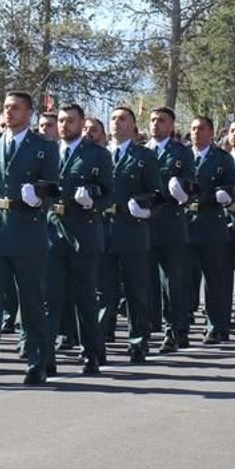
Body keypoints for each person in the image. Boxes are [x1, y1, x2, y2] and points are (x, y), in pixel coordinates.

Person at [0, 90, 57, 389]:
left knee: (32, 303)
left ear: (29, 113)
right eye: (6, 107)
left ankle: (36, 364)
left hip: (28, 232)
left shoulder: (44, 146)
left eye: (15, 108)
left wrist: (39, 198)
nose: (8, 112)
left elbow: (53, 187)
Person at [47, 103, 111, 373]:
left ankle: (91, 352)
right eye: (61, 120)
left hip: (83, 231)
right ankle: (45, 354)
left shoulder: (97, 155)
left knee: (85, 298)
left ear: (81, 123)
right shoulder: (48, 151)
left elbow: (109, 193)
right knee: (50, 297)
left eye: (70, 120)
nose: (64, 125)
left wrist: (92, 202)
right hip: (52, 232)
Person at [98, 106, 160, 363]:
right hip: (102, 229)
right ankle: (96, 343)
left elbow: (156, 193)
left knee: (136, 290)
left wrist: (145, 206)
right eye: (113, 118)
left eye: (123, 119)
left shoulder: (144, 156)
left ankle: (138, 341)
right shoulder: (99, 154)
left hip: (132, 229)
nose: (116, 122)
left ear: (133, 126)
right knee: (103, 292)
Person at [145, 107, 194, 353]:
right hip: (144, 224)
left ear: (171, 125)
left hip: (171, 224)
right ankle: (145, 329)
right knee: (145, 282)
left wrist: (183, 192)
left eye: (161, 120)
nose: (155, 124)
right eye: (152, 120)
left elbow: (192, 185)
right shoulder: (142, 151)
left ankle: (175, 330)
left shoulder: (182, 153)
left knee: (171, 282)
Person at [186, 116, 235, 346]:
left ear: (211, 133)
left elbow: (231, 186)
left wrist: (225, 194)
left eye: (201, 129)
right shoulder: (184, 155)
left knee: (214, 280)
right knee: (185, 279)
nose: (196, 132)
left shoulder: (222, 158)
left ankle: (216, 326)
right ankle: (181, 326)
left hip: (211, 223)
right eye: (193, 128)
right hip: (186, 223)